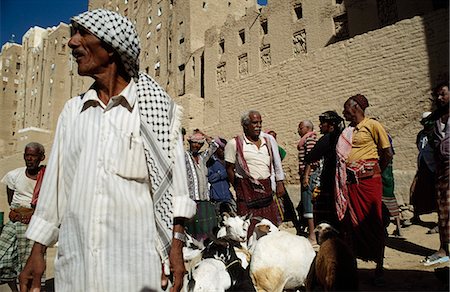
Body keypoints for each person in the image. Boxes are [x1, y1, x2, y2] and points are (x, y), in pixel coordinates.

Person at [19, 9, 196, 292]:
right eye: (72, 34)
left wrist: (175, 248)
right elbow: (54, 190)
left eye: (82, 34)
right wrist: (37, 252)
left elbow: (176, 191)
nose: (72, 43)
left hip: (135, 271)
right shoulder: (72, 112)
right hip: (78, 269)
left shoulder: (157, 112)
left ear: (112, 47)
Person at [336, 94, 393, 284]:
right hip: (351, 184)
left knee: (374, 221)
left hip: (369, 182)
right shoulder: (348, 131)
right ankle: (354, 265)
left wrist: (374, 170)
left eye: (346, 108)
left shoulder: (373, 125)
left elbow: (387, 152)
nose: (344, 112)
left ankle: (379, 267)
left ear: (356, 107)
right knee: (351, 223)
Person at [224, 110, 285, 236]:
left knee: (269, 227)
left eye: (260, 123)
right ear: (245, 125)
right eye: (255, 123)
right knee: (249, 229)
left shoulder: (267, 141)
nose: (259, 126)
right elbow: (229, 168)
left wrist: (280, 182)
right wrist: (238, 186)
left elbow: (276, 162)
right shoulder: (234, 144)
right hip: (247, 192)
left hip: (266, 191)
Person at [0, 142, 45, 291]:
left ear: (41, 157)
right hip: (14, 223)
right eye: (27, 155)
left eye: (33, 156)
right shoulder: (14, 175)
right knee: (3, 258)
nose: (29, 159)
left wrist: (32, 214)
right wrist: (16, 212)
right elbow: (10, 197)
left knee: (28, 265)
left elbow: (49, 203)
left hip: (33, 225)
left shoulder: (46, 178)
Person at [422, 81, 449, 265]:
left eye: (443, 94)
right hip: (442, 169)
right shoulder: (435, 120)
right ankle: (444, 247)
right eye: (437, 95)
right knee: (443, 209)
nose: (439, 98)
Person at [304, 111, 344, 229]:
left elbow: (311, 157)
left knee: (327, 217)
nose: (320, 126)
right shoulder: (343, 136)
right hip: (341, 181)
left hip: (329, 181)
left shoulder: (327, 139)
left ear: (331, 125)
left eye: (322, 123)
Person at [265, 130, 302, 234]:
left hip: (278, 182)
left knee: (287, 205)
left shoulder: (276, 149)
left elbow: (279, 159)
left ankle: (297, 227)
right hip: (269, 182)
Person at [184, 132, 218, 241]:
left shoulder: (202, 157)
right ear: (189, 143)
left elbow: (214, 145)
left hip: (205, 200)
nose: (197, 146)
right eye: (194, 143)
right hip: (192, 200)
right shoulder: (184, 156)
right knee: (195, 230)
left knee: (208, 229)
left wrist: (203, 135)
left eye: (199, 144)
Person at [408, 112, 437, 228]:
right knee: (415, 191)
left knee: (436, 196)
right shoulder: (421, 134)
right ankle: (416, 216)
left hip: (434, 169)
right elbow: (420, 148)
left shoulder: (436, 134)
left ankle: (439, 223)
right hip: (423, 168)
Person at [297, 120, 321, 244]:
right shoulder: (307, 140)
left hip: (310, 176)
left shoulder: (310, 140)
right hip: (308, 175)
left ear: (307, 128)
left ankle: (312, 235)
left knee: (308, 204)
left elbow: (311, 159)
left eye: (300, 128)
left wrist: (306, 175)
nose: (298, 130)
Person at [206, 137, 233, 207]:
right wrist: (225, 172)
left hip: (228, 197)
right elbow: (210, 178)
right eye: (221, 148)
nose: (223, 151)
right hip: (216, 199)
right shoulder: (210, 162)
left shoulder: (226, 161)